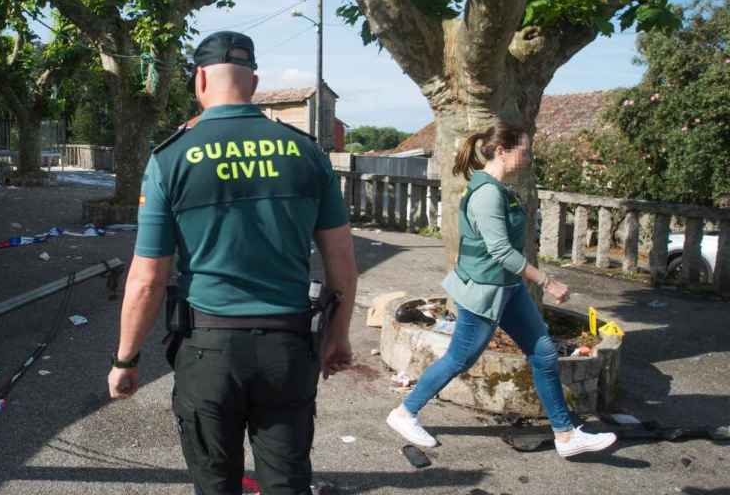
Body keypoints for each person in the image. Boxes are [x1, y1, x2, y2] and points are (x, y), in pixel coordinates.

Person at [107, 31, 358, 494]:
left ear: (199, 79)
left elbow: (148, 279)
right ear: (255, 81)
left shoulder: (171, 158)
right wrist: (337, 338)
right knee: (287, 482)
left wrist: (126, 359)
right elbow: (341, 261)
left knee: (216, 483)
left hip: (208, 352)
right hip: (287, 346)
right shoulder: (306, 152)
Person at [385, 123, 617, 458]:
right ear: (501, 151)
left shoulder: (500, 188)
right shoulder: (487, 194)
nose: (529, 154)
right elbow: (501, 252)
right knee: (459, 359)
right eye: (524, 149)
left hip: (508, 289)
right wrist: (547, 281)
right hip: (483, 292)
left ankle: (566, 436)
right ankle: (405, 413)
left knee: (544, 353)